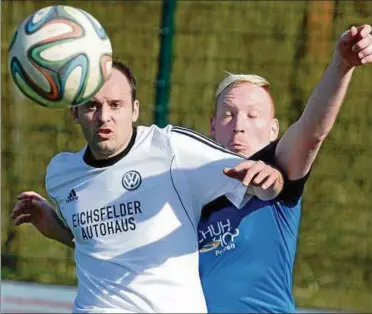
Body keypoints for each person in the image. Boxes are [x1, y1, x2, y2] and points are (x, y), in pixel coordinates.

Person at [11, 61, 285, 313]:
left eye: (116, 105)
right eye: (92, 106)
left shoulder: (172, 148)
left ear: (135, 110)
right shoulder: (61, 174)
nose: (104, 116)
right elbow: (102, 245)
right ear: (75, 112)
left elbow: (261, 185)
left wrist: (272, 181)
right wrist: (55, 228)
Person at [198, 24, 372, 312]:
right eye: (229, 115)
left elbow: (311, 132)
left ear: (272, 130)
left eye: (253, 116)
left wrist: (341, 65)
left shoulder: (279, 168)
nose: (239, 126)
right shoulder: (191, 185)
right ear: (212, 126)